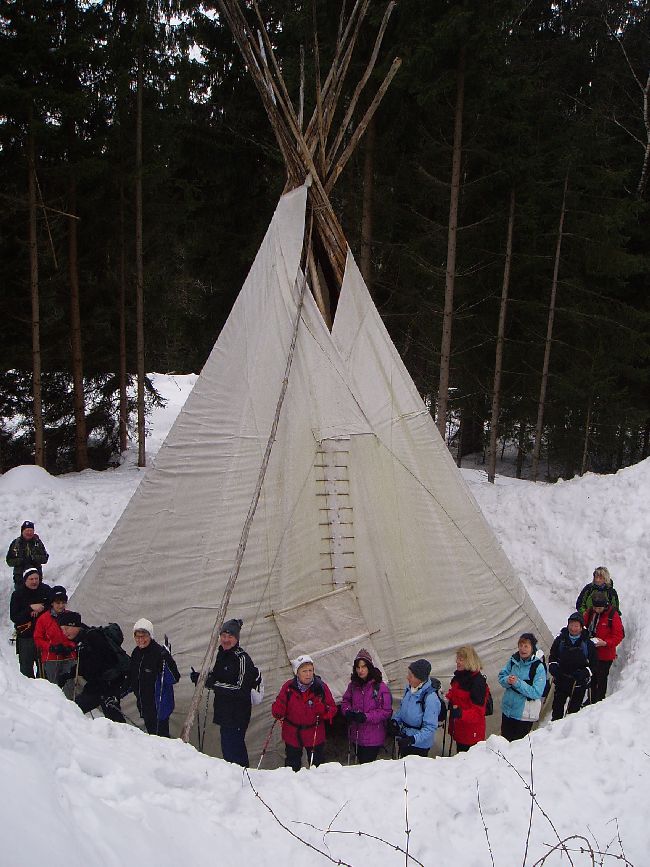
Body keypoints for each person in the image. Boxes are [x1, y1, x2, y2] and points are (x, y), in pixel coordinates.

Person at [191, 618, 260, 766]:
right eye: (223, 636)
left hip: (238, 713)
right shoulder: (221, 654)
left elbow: (241, 690)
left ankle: (244, 779)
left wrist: (213, 684)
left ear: (236, 638)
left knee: (236, 751)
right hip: (224, 712)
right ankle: (234, 782)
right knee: (227, 751)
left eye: (230, 636)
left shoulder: (242, 659)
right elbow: (217, 677)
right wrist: (202, 678)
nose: (226, 640)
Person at [58, 611, 127, 723]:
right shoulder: (82, 639)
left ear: (75, 626)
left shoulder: (91, 638)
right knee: (75, 709)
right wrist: (69, 674)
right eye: (62, 629)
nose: (64, 632)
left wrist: (73, 672)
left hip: (107, 686)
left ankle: (127, 739)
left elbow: (98, 664)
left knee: (115, 720)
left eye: (67, 628)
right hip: (98, 685)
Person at [271, 654, 337, 771]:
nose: (308, 674)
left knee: (318, 766)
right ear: (297, 672)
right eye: (304, 671)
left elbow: (332, 709)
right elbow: (279, 707)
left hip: (314, 733)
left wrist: (322, 709)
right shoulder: (288, 687)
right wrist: (278, 710)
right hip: (293, 733)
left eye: (310, 670)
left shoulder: (320, 687)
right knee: (292, 765)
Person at [129, 618, 180, 737]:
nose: (141, 640)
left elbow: (174, 678)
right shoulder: (136, 653)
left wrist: (167, 659)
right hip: (144, 705)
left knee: (161, 738)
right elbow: (133, 678)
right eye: (138, 636)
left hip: (159, 706)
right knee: (152, 736)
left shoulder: (158, 653)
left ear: (150, 635)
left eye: (144, 636)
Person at [340, 648, 392, 763]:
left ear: (369, 667)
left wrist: (366, 716)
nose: (360, 670)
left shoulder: (380, 687)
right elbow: (345, 701)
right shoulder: (353, 685)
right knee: (360, 765)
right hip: (356, 735)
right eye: (358, 667)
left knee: (367, 767)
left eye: (363, 667)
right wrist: (347, 711)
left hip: (373, 736)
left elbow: (386, 711)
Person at [548, 612, 599, 720]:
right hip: (562, 679)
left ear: (581, 627)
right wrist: (553, 667)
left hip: (578, 683)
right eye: (571, 625)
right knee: (557, 709)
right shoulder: (560, 640)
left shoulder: (587, 644)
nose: (573, 628)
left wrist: (584, 673)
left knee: (573, 713)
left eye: (576, 626)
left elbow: (594, 664)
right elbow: (553, 656)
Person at [498, 633, 547, 742]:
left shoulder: (538, 667)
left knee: (517, 747)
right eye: (521, 645)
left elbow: (536, 692)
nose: (522, 649)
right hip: (508, 711)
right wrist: (507, 680)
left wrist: (518, 683)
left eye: (526, 646)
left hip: (524, 715)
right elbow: (502, 676)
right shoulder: (513, 660)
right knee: (504, 744)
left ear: (532, 648)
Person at [387, 658, 440, 758]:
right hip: (405, 738)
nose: (407, 678)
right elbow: (402, 710)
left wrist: (413, 739)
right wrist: (394, 721)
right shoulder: (409, 690)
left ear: (419, 678)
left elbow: (430, 728)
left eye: (411, 676)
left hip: (419, 746)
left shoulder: (431, 699)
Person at [33, 585, 77, 694]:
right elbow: (38, 638)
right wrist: (50, 647)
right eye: (58, 603)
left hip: (69, 656)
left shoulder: (72, 616)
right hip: (51, 658)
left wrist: (70, 646)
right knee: (53, 688)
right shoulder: (43, 619)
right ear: (52, 603)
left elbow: (77, 635)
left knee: (69, 687)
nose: (61, 606)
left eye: (63, 603)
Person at [9, 567, 52, 677]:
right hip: (26, 636)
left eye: (36, 578)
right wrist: (30, 609)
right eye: (31, 579)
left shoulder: (46, 590)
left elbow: (53, 608)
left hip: (44, 635)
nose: (34, 582)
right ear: (25, 580)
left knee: (45, 669)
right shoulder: (17, 595)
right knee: (26, 668)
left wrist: (41, 609)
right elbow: (14, 616)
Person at [582, 591, 624, 703]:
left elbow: (618, 635)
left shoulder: (612, 615)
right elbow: (583, 624)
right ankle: (591, 699)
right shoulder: (591, 612)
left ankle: (599, 700)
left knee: (601, 678)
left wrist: (605, 643)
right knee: (592, 677)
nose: (597, 610)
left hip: (605, 654)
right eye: (595, 608)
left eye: (599, 608)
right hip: (591, 652)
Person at [446, 645, 489, 753]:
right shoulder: (460, 677)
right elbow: (455, 694)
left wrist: (461, 713)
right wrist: (446, 700)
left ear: (469, 660)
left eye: (461, 659)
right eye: (457, 659)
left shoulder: (477, 682)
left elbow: (479, 712)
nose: (457, 662)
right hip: (460, 729)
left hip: (471, 734)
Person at [6, 521, 49, 589]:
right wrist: (21, 561)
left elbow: (45, 558)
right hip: (20, 579)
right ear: (22, 531)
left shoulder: (37, 543)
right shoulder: (15, 544)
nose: (29, 533)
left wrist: (34, 558)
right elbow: (9, 561)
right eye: (27, 530)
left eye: (31, 531)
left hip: (36, 579)